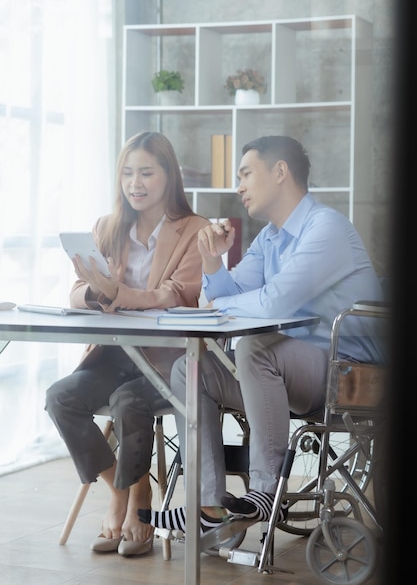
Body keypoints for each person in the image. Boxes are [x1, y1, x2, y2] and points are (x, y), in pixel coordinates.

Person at [137, 134, 385, 535]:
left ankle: (266, 492)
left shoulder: (327, 229)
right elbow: (232, 294)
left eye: (246, 173)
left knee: (255, 347)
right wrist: (213, 262)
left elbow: (274, 303)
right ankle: (208, 506)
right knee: (189, 370)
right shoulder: (268, 238)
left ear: (280, 172)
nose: (239, 186)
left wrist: (220, 304)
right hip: (284, 373)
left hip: (348, 376)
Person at [45, 131, 209, 556]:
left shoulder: (195, 230)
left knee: (127, 403)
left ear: (169, 176)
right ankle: (122, 491)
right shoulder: (107, 227)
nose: (135, 183)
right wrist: (98, 293)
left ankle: (141, 502)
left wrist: (115, 291)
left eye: (146, 173)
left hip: (166, 358)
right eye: (127, 173)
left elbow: (178, 293)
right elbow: (79, 291)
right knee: (60, 397)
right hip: (114, 352)